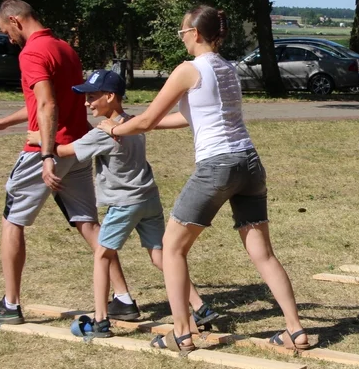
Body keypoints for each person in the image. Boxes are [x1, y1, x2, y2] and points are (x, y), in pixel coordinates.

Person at [97, 5, 308, 353]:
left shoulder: (187, 70)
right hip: (249, 163)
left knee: (172, 248)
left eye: (182, 32)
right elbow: (186, 119)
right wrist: (131, 125)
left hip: (217, 166)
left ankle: (181, 333)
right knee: (263, 253)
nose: (180, 38)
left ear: (195, 33)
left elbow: (149, 119)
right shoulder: (227, 68)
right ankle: (295, 330)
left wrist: (116, 127)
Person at [0, 0, 137, 325]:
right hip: (76, 150)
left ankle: (10, 304)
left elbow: (48, 106)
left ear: (16, 20)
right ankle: (123, 299)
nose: (8, 38)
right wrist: (4, 121)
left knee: (12, 221)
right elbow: (47, 103)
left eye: (7, 30)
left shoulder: (32, 53)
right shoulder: (64, 48)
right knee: (88, 224)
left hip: (47, 152)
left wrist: (47, 154)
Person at [26, 70, 218, 337]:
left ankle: (100, 321)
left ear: (110, 96)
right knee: (160, 255)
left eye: (92, 97)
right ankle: (200, 307)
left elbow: (66, 152)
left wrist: (43, 142)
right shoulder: (135, 122)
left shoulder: (105, 133)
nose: (86, 103)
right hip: (148, 198)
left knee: (102, 255)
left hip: (124, 203)